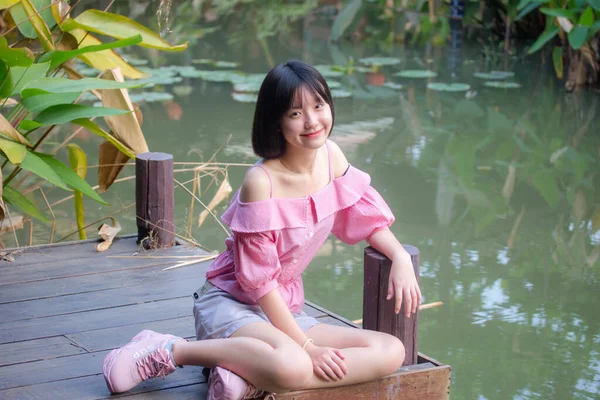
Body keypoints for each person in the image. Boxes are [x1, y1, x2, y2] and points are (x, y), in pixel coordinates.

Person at [102, 60, 422, 400]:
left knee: (391, 351)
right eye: (296, 113)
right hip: (231, 303)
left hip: (285, 309)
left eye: (318, 105)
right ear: (276, 121)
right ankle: (170, 350)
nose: (313, 121)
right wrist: (308, 347)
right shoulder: (261, 182)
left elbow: (361, 214)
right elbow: (260, 283)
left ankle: (248, 373)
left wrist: (399, 255)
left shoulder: (332, 156)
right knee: (294, 365)